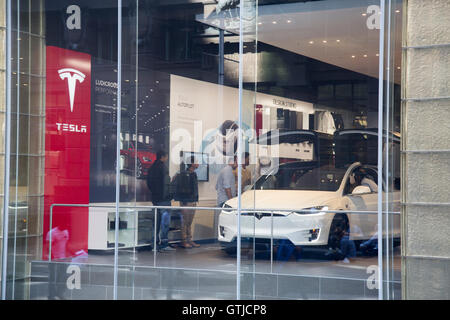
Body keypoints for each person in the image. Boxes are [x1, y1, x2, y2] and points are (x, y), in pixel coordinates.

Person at [147, 150, 175, 252]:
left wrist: (155, 193)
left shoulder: (152, 168)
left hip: (155, 199)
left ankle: (154, 244)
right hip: (164, 199)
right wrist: (169, 195)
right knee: (165, 222)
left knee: (156, 222)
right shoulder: (163, 168)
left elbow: (149, 183)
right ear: (163, 157)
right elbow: (166, 184)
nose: (167, 158)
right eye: (166, 156)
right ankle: (163, 244)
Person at [173, 155, 200, 248]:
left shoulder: (194, 174)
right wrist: (184, 202)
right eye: (196, 161)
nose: (198, 163)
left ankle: (189, 239)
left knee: (189, 222)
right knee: (184, 222)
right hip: (186, 202)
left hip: (193, 201)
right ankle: (184, 241)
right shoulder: (183, 174)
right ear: (192, 164)